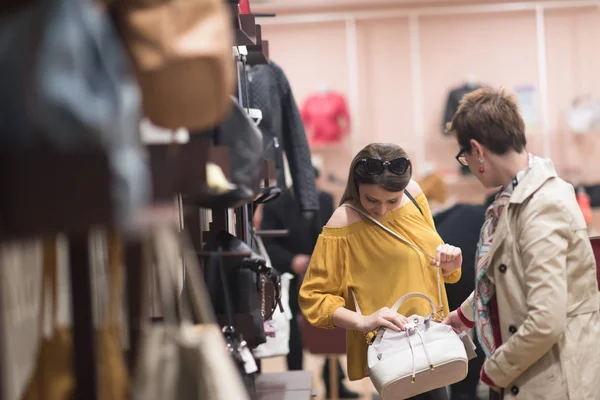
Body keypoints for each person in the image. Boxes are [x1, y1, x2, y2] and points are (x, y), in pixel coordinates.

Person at [443, 87, 600, 399]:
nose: (468, 165)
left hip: (552, 378)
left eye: (464, 156)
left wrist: (493, 370)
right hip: (536, 368)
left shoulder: (541, 205)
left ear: (478, 149)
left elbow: (546, 320)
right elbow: (508, 275)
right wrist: (464, 315)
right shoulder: (517, 196)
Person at [299, 143, 463, 400]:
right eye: (371, 199)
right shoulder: (343, 222)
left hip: (431, 337)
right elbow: (314, 298)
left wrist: (451, 265)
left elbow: (430, 258)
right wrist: (362, 321)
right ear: (356, 187)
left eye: (391, 200)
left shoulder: (414, 196)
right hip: (394, 349)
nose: (382, 209)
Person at [260, 166, 360, 399]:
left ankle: (335, 381)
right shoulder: (276, 204)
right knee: (295, 333)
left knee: (330, 327)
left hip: (323, 275)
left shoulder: (325, 199)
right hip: (289, 277)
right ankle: (295, 381)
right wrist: (292, 261)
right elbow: (269, 243)